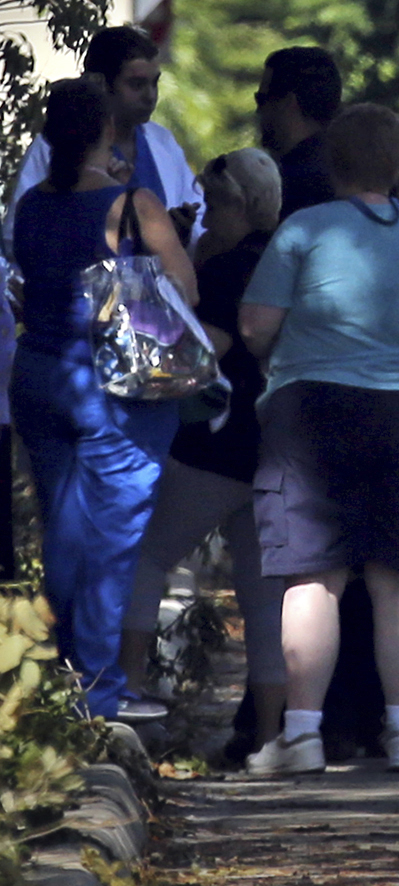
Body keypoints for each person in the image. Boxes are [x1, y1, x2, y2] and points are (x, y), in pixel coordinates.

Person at [237, 104, 399, 777]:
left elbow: (254, 325)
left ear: (331, 163)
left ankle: (302, 735)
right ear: (398, 164)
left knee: (314, 576)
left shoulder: (303, 230)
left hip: (317, 409)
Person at [9, 76, 198, 716]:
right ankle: (97, 693)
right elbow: (185, 291)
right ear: (107, 129)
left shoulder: (31, 203)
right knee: (112, 538)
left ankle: (66, 679)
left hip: (38, 374)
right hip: (110, 384)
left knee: (63, 532)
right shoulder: (132, 204)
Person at [121, 149, 288, 747]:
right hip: (275, 446)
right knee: (264, 596)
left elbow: (198, 351)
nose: (207, 217)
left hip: (214, 447)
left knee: (145, 557)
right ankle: (269, 737)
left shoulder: (225, 273)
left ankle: (127, 692)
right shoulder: (284, 259)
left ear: (240, 205)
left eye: (214, 205)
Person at [11, 26, 204, 240]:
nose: (150, 96)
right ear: (101, 84)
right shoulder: (56, 144)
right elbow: (17, 233)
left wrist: (182, 229)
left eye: (154, 83)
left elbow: (201, 219)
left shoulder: (163, 142)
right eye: (137, 84)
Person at [255, 48, 343, 218]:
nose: (258, 111)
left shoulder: (288, 185)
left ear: (288, 103)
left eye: (261, 100)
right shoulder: (352, 172)